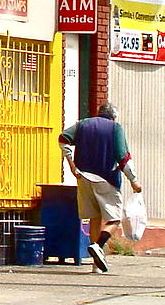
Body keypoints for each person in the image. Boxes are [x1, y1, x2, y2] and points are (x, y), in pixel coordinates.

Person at [59, 102, 142, 274]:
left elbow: (63, 139)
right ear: (113, 116)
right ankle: (98, 245)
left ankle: (96, 265)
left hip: (83, 177)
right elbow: (123, 157)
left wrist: (71, 164)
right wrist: (133, 180)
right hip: (106, 180)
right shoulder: (115, 128)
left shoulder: (83, 124)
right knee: (113, 219)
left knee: (95, 219)